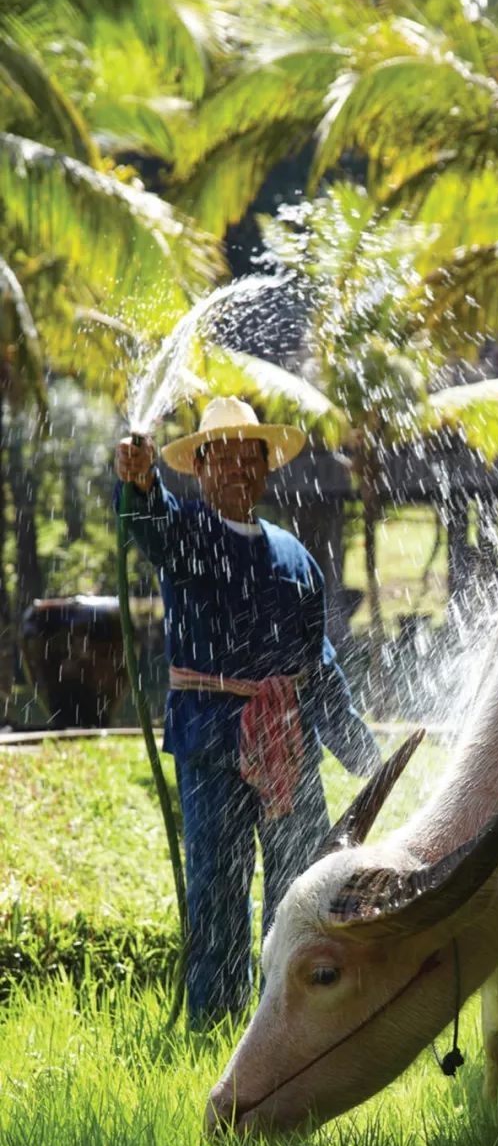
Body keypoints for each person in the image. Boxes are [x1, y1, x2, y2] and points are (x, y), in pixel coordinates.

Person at [115, 395, 381, 1027]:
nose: (236, 468)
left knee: (298, 891)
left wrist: (363, 754)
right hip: (213, 747)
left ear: (266, 469)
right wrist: (139, 479)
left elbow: (317, 669)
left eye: (249, 456)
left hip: (290, 747)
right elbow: (147, 521)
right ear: (200, 470)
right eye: (222, 456)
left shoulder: (295, 557)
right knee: (215, 892)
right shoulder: (184, 535)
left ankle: (282, 1023)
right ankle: (213, 1026)